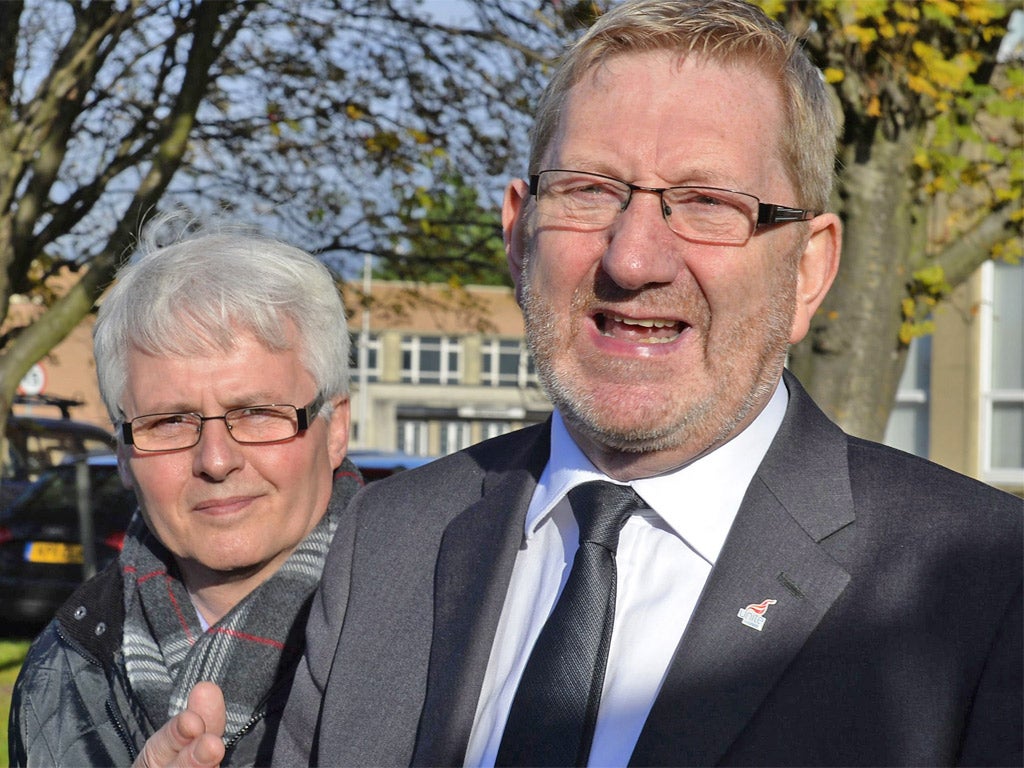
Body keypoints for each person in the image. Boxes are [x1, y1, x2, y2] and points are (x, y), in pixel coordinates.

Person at [156, 0, 1023, 764]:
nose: (633, 257)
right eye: (589, 190)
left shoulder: (979, 587)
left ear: (807, 269)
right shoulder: (385, 545)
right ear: (518, 232)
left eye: (707, 202)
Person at [7, 218, 361, 767]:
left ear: (335, 428)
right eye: (169, 422)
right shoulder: (62, 673)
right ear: (124, 454)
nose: (216, 460)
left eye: (257, 413)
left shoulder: (439, 632)